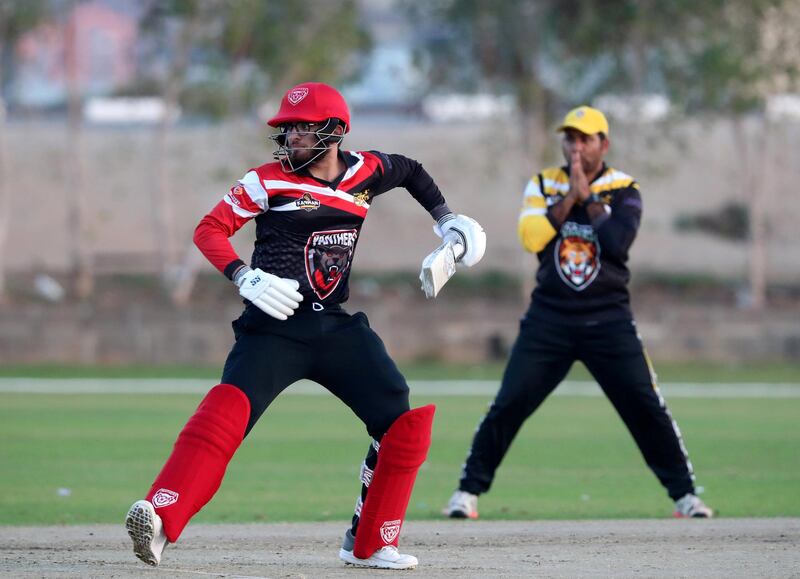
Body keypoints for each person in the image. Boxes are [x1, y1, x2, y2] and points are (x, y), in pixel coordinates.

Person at [125, 82, 486, 570]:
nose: (291, 136)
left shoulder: (367, 171)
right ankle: (161, 521)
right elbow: (209, 230)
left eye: (302, 127)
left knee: (399, 418)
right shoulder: (265, 180)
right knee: (225, 414)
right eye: (287, 128)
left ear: (334, 131)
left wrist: (446, 221)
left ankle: (370, 543)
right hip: (272, 327)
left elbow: (413, 172)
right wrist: (242, 274)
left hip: (335, 326)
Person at [443, 106, 713, 521]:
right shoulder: (543, 183)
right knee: (510, 402)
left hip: (609, 319)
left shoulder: (624, 188)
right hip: (549, 319)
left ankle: (685, 496)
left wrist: (588, 197)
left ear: (604, 144)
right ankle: (467, 493)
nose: (576, 146)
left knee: (644, 404)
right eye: (570, 138)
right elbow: (531, 238)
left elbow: (619, 243)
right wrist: (571, 194)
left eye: (585, 138)